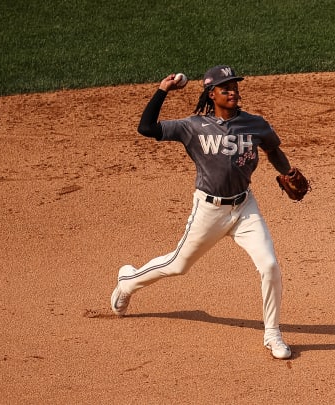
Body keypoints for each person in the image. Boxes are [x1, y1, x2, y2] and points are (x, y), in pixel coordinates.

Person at [110, 65, 298, 359]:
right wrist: (163, 90)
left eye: (235, 86)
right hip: (209, 211)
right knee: (178, 265)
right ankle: (128, 283)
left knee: (270, 266)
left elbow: (273, 150)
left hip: (244, 207)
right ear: (212, 94)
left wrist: (287, 171)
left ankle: (272, 333)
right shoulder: (193, 127)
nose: (233, 91)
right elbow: (146, 128)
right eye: (226, 88)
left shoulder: (255, 124)